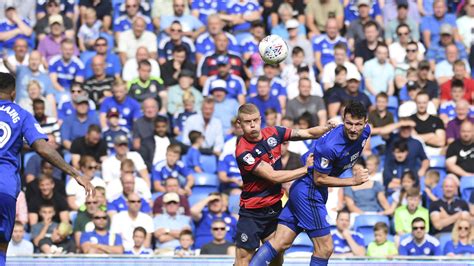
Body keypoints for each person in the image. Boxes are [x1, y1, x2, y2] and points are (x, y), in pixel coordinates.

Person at [249, 101, 371, 266]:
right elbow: (319, 179)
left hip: (304, 190)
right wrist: (353, 181)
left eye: (358, 124)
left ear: (366, 122)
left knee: (281, 242)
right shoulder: (330, 146)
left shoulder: (366, 132)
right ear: (343, 119)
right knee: (325, 248)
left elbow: (307, 156)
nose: (353, 129)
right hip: (309, 192)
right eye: (349, 123)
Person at [233, 102, 336, 266]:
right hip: (252, 212)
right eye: (247, 122)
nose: (252, 125)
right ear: (239, 123)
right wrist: (305, 169)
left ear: (260, 119)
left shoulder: (274, 132)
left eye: (255, 120)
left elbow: (307, 132)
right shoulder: (243, 152)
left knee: (277, 257)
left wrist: (327, 128)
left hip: (274, 207)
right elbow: (273, 177)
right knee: (243, 261)